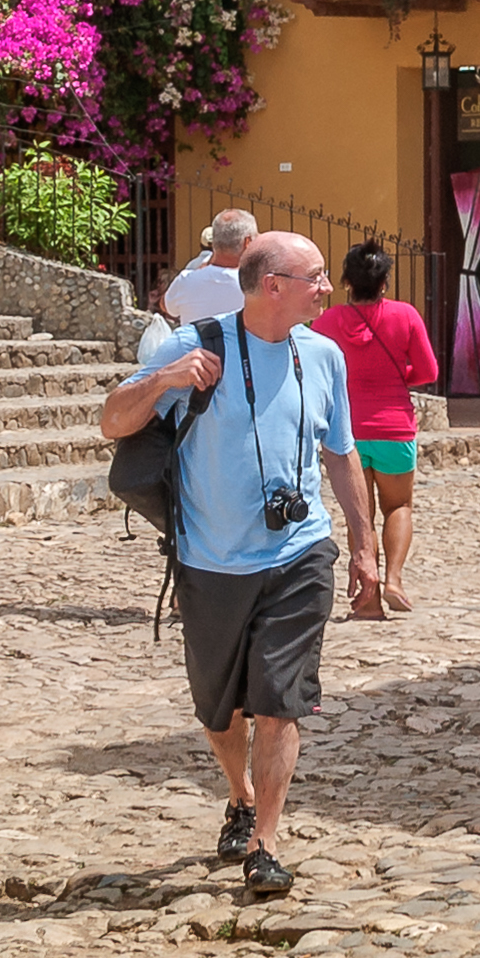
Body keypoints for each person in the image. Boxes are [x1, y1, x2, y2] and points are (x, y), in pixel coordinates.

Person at [100, 229, 380, 899]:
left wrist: (364, 546)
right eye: (314, 276)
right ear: (273, 285)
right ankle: (240, 796)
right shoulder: (192, 345)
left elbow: (339, 453)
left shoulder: (324, 355)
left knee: (280, 702)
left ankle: (266, 844)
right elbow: (112, 420)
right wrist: (165, 379)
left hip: (298, 551)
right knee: (219, 709)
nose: (326, 287)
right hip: (210, 560)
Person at [310, 243, 439, 618]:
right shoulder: (405, 315)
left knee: (359, 515)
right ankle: (394, 579)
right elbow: (428, 372)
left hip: (346, 431)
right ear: (384, 282)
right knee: (398, 505)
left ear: (346, 281)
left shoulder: (327, 322)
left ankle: (368, 599)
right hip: (394, 428)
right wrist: (398, 377)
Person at [160, 209, 258, 328]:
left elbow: (165, 305)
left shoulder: (186, 281)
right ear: (247, 242)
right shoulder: (256, 286)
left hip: (195, 346)